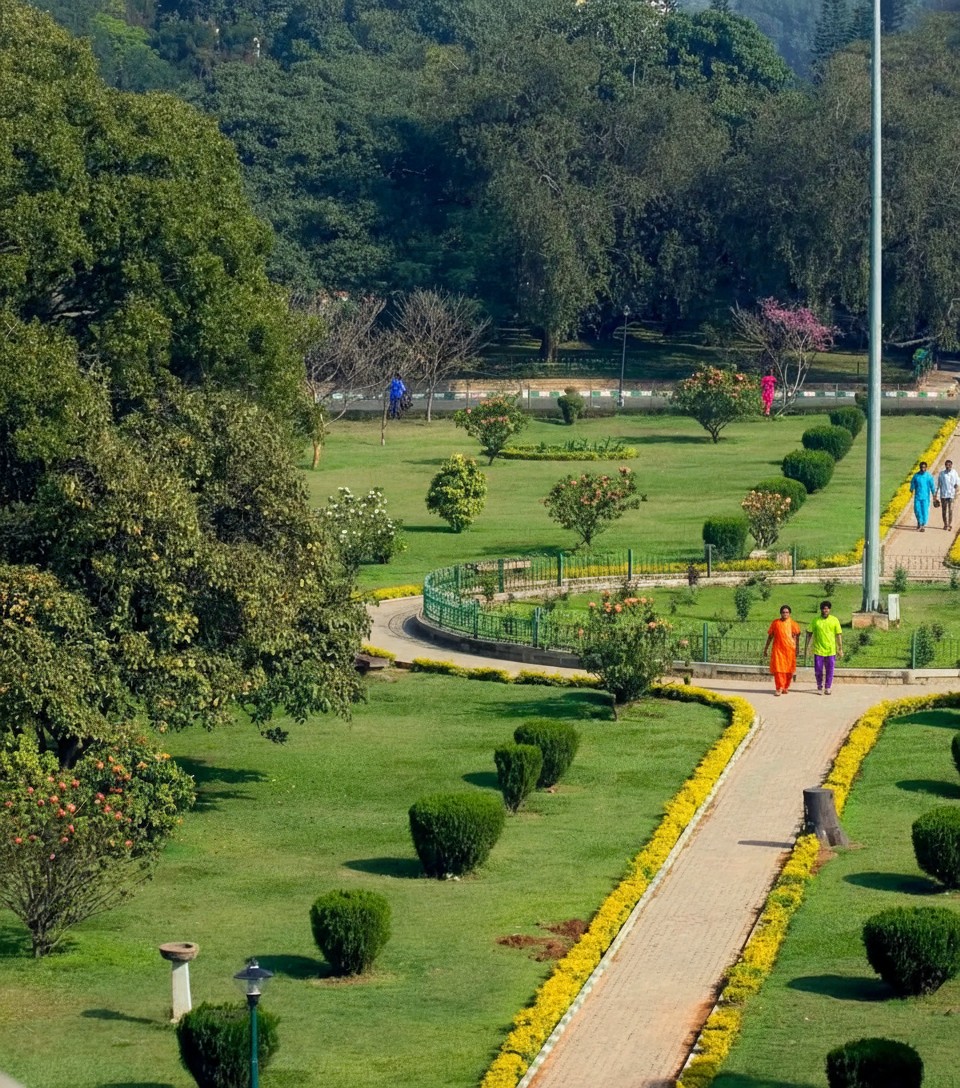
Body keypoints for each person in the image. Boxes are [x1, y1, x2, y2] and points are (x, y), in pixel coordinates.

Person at [804, 600, 843, 696]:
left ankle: (828, 687)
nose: (825, 610)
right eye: (823, 609)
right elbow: (809, 633)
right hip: (818, 650)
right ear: (821, 610)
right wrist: (807, 647)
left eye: (827, 609)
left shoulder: (834, 620)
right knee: (818, 670)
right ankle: (819, 686)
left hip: (831, 650)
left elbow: (838, 634)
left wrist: (840, 648)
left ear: (829, 609)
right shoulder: (816, 620)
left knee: (830, 670)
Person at [762, 604, 801, 696]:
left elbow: (797, 638)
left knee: (789, 670)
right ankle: (779, 687)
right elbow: (770, 636)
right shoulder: (775, 623)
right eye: (783, 612)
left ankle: (785, 687)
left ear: (790, 613)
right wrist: (766, 648)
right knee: (779, 670)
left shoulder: (793, 624)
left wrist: (797, 649)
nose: (785, 614)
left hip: (790, 650)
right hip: (778, 650)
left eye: (787, 612)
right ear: (780, 613)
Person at [909, 460, 937, 532]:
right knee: (917, 510)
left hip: (925, 498)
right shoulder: (916, 476)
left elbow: (932, 486)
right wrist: (911, 489)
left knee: (924, 511)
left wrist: (934, 495)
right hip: (917, 497)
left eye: (924, 467)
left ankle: (922, 525)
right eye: (921, 467)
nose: (922, 469)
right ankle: (919, 522)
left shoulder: (928, 476)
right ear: (919, 467)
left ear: (926, 468)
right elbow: (912, 483)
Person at [936, 458, 959, 532]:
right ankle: (945, 524)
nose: (948, 466)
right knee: (944, 510)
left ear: (951, 465)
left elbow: (958, 480)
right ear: (945, 465)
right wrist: (936, 495)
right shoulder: (942, 474)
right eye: (947, 465)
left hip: (952, 494)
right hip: (944, 495)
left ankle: (949, 524)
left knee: (950, 510)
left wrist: (957, 484)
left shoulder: (954, 472)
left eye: (949, 465)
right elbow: (939, 484)